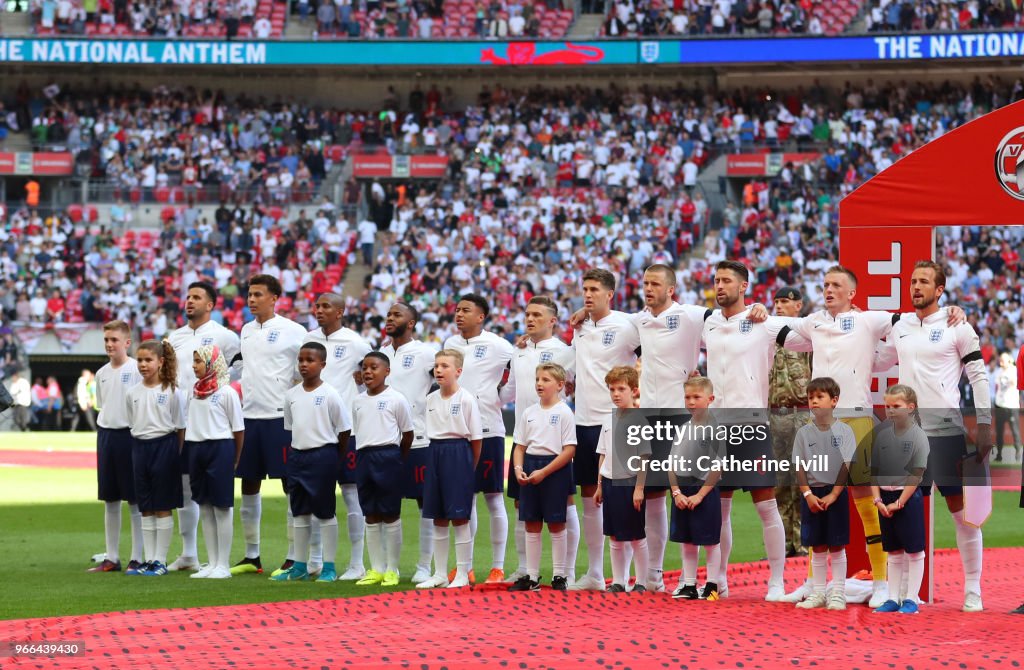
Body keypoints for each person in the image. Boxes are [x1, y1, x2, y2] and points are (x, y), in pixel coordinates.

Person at [779, 264, 965, 608]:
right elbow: (777, 330)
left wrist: (952, 310)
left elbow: (912, 317)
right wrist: (756, 312)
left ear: (852, 293)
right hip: (820, 422)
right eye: (825, 284)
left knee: (866, 500)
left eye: (836, 285)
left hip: (858, 418)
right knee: (817, 496)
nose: (828, 289)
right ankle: (813, 584)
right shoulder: (814, 322)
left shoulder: (870, 320)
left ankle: (881, 582)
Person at [872, 261, 990, 612]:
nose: (916, 286)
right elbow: (879, 360)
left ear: (940, 290)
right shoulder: (901, 325)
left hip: (946, 432)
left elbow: (978, 376)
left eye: (924, 281)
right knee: (903, 508)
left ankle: (973, 589)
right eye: (912, 281)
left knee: (962, 512)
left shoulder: (958, 324)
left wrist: (983, 425)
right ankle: (905, 594)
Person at [701, 260, 808, 601]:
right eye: (716, 280)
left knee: (767, 506)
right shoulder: (708, 322)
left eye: (727, 280)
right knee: (719, 508)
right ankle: (717, 579)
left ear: (743, 286)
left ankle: (777, 582)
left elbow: (805, 336)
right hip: (716, 427)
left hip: (751, 426)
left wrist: (846, 320)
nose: (719, 286)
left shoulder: (763, 322)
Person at [570, 269, 640, 591]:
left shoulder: (627, 325)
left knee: (629, 500)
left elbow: (647, 357)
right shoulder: (580, 327)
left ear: (610, 294)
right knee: (590, 498)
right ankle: (596, 573)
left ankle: (643, 575)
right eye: (585, 289)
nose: (587, 294)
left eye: (594, 289)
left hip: (616, 421)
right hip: (583, 421)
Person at [233, 275, 307, 576]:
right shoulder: (246, 330)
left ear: (274, 297)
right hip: (249, 416)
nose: (252, 299)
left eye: (258, 294)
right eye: (249, 294)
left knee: (289, 484)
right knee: (249, 483)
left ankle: (293, 555)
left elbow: (307, 368)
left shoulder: (294, 331)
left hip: (280, 417)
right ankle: (252, 556)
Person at [166, 281, 241, 573]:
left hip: (215, 418)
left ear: (210, 305)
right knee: (187, 490)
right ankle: (189, 553)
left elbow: (238, 371)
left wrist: (221, 397)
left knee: (218, 500)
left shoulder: (226, 336)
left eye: (196, 297)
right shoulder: (175, 337)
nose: (189, 301)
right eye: (187, 296)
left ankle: (221, 559)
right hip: (185, 418)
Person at [502, 296, 577, 583]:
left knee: (565, 507)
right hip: (525, 437)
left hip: (555, 439)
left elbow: (571, 386)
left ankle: (565, 573)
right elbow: (509, 391)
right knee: (523, 507)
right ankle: (526, 570)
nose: (530, 319)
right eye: (527, 314)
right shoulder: (518, 350)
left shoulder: (564, 351)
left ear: (552, 321)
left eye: (537, 314)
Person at [443, 294, 513, 585]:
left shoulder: (499, 346)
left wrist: (499, 398)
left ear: (481, 316)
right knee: (465, 500)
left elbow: (519, 373)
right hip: (457, 432)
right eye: (457, 310)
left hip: (488, 430)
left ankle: (497, 567)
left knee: (494, 498)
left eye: (466, 310)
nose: (459, 314)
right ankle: (465, 567)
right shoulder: (450, 345)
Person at [303, 293, 372, 580]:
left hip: (347, 431)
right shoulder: (308, 339)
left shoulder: (356, 343)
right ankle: (315, 560)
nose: (319, 310)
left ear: (340, 311)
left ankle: (357, 562)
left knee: (352, 495)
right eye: (317, 306)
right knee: (315, 497)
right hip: (315, 432)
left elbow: (373, 372)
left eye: (325, 306)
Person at [271, 342, 352, 583]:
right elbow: (290, 427)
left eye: (310, 360)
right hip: (298, 456)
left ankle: (328, 566)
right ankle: (299, 565)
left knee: (325, 513)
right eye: (301, 360)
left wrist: (333, 457)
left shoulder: (330, 394)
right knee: (299, 513)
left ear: (322, 365)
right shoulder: (291, 395)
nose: (304, 365)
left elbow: (344, 429)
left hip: (323, 455)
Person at [379, 302, 439, 584]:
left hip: (419, 440)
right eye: (389, 314)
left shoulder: (426, 353)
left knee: (424, 503)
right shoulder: (381, 352)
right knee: (387, 505)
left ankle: (424, 566)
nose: (390, 318)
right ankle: (388, 566)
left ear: (411, 323)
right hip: (384, 441)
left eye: (396, 315)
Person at [417, 349, 482, 589]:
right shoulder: (430, 399)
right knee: (438, 517)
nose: (439, 370)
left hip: (458, 453)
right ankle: (440, 573)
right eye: (436, 365)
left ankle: (463, 572)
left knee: (460, 517)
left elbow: (476, 440)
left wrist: (467, 467)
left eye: (445, 366)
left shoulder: (466, 399)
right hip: (435, 451)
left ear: (458, 371)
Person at [509, 363, 576, 592]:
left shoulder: (564, 412)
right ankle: (532, 575)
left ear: (559, 385)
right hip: (531, 465)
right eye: (537, 379)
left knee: (556, 523)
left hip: (555, 469)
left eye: (545, 380)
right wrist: (519, 469)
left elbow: (569, 450)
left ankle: (560, 575)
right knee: (531, 523)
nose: (539, 383)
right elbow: (519, 446)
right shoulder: (529, 412)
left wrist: (545, 472)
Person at [792, 377, 856, 610]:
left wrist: (835, 494)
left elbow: (847, 465)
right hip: (812, 494)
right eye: (811, 398)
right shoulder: (803, 433)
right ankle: (818, 592)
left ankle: (838, 593)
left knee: (837, 545)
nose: (814, 402)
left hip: (835, 495)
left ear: (834, 401)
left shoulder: (844, 431)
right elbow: (798, 466)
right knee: (816, 546)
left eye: (820, 397)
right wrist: (807, 494)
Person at [351, 352, 414, 587]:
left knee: (390, 513)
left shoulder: (396, 399)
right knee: (370, 513)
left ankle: (392, 568)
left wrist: (397, 459)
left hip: (388, 456)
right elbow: (358, 431)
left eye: (374, 367)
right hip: (364, 456)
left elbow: (407, 434)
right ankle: (375, 568)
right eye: (365, 368)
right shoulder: (357, 401)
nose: (368, 372)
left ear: (386, 371)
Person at [125, 340, 186, 577]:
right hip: (140, 448)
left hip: (165, 446)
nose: (143, 365)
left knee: (162, 505)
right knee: (146, 507)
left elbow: (180, 426)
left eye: (148, 360)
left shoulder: (171, 391)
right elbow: (133, 423)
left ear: (161, 362)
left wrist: (173, 454)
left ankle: (160, 560)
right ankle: (148, 559)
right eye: (139, 360)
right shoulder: (133, 393)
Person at [88, 321, 144, 573]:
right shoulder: (101, 373)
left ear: (127, 343)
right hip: (107, 436)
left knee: (134, 500)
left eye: (114, 340)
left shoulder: (137, 369)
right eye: (107, 340)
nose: (110, 344)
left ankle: (137, 557)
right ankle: (111, 556)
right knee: (110, 498)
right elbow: (103, 405)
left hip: (130, 436)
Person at [185, 345, 244, 580]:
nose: (194, 365)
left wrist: (235, 457)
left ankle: (223, 564)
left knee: (222, 506)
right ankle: (211, 562)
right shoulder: (194, 390)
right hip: (196, 448)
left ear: (211, 363)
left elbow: (238, 429)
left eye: (198, 361)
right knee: (204, 506)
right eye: (194, 361)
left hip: (220, 447)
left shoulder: (226, 392)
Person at [870, 384, 929, 615]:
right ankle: (892, 598)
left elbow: (917, 474)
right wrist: (878, 500)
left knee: (914, 551)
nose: (890, 411)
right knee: (893, 551)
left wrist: (900, 502)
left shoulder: (918, 436)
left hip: (907, 497)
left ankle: (911, 599)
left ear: (911, 408)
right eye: (887, 406)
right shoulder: (882, 436)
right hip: (884, 499)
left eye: (897, 406)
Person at [666, 376, 723, 601]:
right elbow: (670, 463)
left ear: (710, 399)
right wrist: (676, 492)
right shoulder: (683, 429)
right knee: (687, 540)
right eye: (687, 397)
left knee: (709, 540)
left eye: (696, 397)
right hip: (682, 489)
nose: (691, 402)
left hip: (704, 490)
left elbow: (717, 466)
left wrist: (700, 495)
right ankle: (689, 584)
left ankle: (712, 585)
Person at [594, 365, 650, 593]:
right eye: (612, 389)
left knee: (636, 535)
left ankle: (642, 582)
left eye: (621, 389)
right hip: (609, 483)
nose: (616, 394)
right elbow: (603, 454)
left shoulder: (639, 420)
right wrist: (599, 485)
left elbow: (644, 457)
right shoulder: (607, 420)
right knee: (614, 536)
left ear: (634, 391)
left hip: (630, 483)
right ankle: (618, 580)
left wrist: (639, 488)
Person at [768, 286, 811, 557]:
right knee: (779, 482)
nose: (779, 306)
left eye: (785, 301)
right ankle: (782, 544)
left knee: (803, 480)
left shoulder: (806, 335)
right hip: (775, 414)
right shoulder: (768, 336)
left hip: (803, 412)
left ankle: (804, 543)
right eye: (777, 301)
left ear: (798, 305)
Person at [994, 352, 1021, 463]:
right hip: (1000, 405)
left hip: (1011, 405)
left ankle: (1018, 453)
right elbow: (997, 386)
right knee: (999, 432)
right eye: (1000, 360)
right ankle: (999, 454)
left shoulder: (1014, 370)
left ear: (1008, 361)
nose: (1000, 363)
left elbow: (1016, 382)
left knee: (1015, 431)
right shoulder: (999, 371)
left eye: (1003, 361)